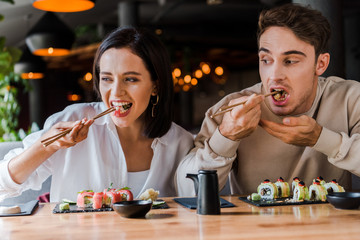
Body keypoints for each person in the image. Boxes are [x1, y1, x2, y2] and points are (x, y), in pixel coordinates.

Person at [177, 3, 360, 196]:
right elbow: (186, 191)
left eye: (289, 61)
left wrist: (321, 139)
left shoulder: (350, 99)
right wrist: (226, 137)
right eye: (266, 60)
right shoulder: (231, 109)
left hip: (332, 225)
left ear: (320, 64)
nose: (274, 75)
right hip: (256, 225)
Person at [0, 27, 194, 202]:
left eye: (130, 79)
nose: (116, 92)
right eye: (107, 79)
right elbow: (2, 185)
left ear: (155, 86)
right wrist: (45, 147)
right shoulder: (71, 119)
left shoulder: (180, 143)